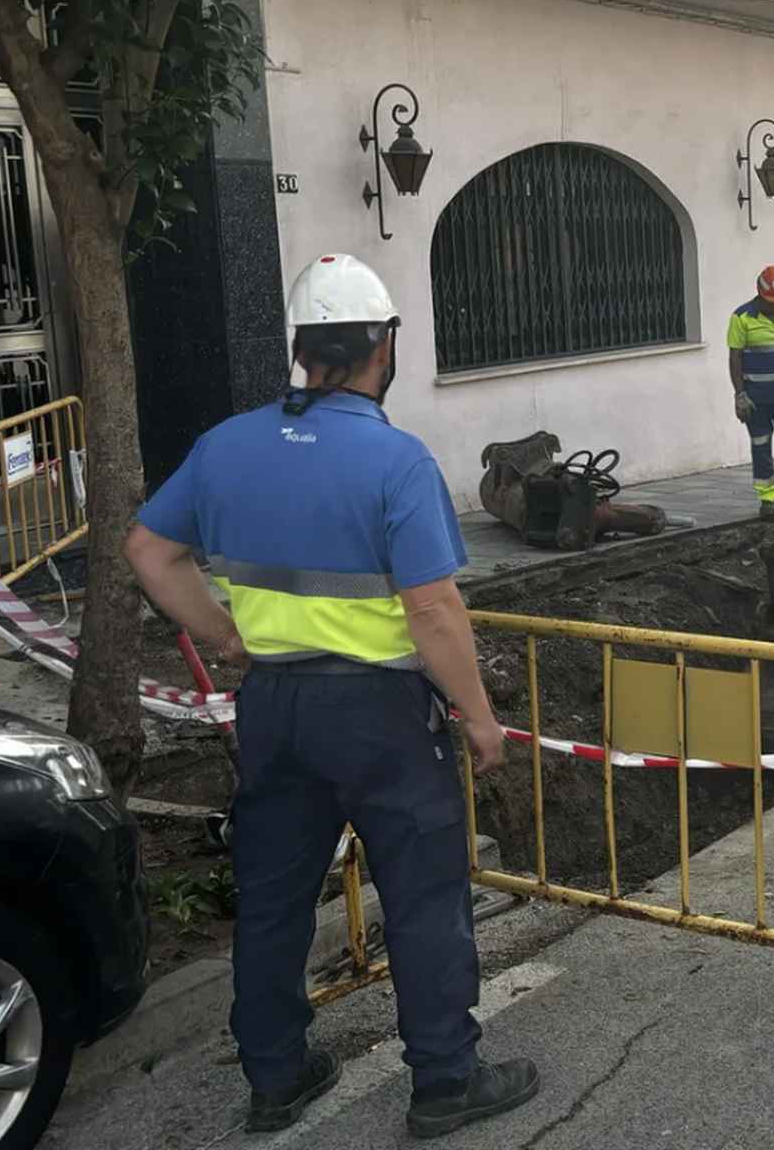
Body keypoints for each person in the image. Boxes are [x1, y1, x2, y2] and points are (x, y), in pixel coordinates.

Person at [124, 253, 540, 1139]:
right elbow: (431, 609)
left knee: (273, 896)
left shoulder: (224, 445)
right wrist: (479, 718)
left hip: (274, 707)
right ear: (383, 349)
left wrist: (228, 636)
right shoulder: (395, 460)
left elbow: (149, 553)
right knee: (424, 895)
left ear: (302, 350)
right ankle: (444, 1081)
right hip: (383, 717)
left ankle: (276, 1078)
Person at [729, 264, 774, 519]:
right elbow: (735, 358)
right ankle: (768, 500)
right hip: (756, 400)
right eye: (771, 300)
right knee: (761, 448)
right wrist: (740, 394)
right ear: (759, 294)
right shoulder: (742, 318)